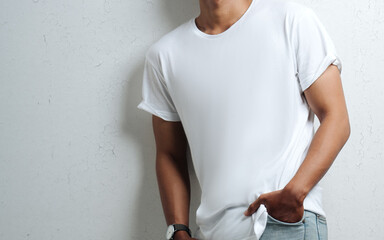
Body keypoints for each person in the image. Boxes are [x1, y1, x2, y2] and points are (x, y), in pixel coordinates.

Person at [136, 0, 350, 239]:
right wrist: (178, 230)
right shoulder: (164, 55)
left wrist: (295, 193)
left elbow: (336, 118)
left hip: (282, 224)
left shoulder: (292, 20)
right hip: (211, 233)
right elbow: (169, 154)